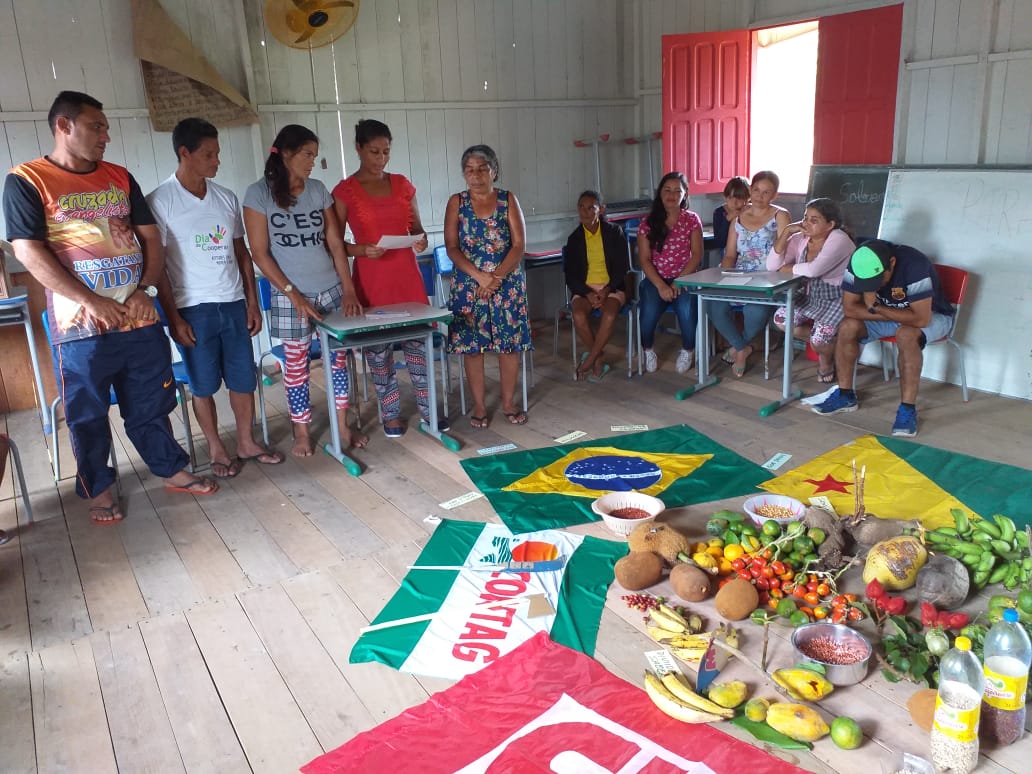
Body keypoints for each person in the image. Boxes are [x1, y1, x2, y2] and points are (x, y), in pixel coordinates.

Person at [3, 90, 217, 524]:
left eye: (105, 127)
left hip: (139, 318)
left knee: (152, 401)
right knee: (87, 413)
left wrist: (146, 290)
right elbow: (28, 252)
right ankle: (99, 489)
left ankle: (169, 469)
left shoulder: (120, 177)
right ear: (64, 126)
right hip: (80, 327)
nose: (106, 136)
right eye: (96, 127)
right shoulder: (28, 180)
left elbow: (151, 238)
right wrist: (91, 301)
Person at [147, 118, 284, 478]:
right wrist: (174, 318)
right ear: (184, 153)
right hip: (192, 308)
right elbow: (158, 270)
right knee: (203, 384)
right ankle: (216, 447)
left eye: (217, 153)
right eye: (208, 154)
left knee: (243, 379)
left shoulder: (225, 198)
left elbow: (242, 254)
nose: (217, 161)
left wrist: (251, 302)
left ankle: (246, 442)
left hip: (233, 303)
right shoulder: (160, 202)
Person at [242, 124, 367, 457]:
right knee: (296, 367)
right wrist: (293, 295)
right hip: (289, 295)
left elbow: (335, 243)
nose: (313, 161)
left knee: (337, 360)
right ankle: (301, 432)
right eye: (307, 154)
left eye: (314, 155)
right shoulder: (258, 194)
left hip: (330, 289)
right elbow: (259, 253)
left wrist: (349, 289)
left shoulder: (317, 190)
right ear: (286, 154)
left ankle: (342, 426)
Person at [332, 119, 443, 437]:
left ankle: (429, 411)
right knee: (379, 352)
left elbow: (416, 227)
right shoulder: (345, 191)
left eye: (386, 152)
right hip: (372, 278)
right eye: (374, 152)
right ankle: (390, 413)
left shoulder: (402, 184)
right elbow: (335, 244)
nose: (381, 159)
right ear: (358, 148)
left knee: (418, 344)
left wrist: (420, 239)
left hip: (406, 275)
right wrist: (362, 250)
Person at [812, 239, 955, 437]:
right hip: (889, 315)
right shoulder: (858, 262)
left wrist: (876, 307)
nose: (875, 286)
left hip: (934, 316)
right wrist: (890, 314)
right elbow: (850, 308)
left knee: (906, 334)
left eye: (878, 279)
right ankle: (845, 396)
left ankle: (907, 409)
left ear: (892, 263)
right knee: (847, 326)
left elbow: (921, 318)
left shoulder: (914, 265)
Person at [444, 144, 531, 427]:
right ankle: (480, 407)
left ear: (494, 171)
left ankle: (508, 403)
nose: (476, 175)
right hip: (469, 285)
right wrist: (480, 277)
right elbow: (452, 247)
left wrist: (496, 278)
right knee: (472, 347)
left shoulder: (507, 200)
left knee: (508, 346)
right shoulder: (457, 203)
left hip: (506, 285)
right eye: (470, 170)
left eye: (482, 168)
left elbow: (519, 245)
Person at [709, 170, 791, 377]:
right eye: (756, 190)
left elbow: (787, 253)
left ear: (775, 195)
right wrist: (722, 277)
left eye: (766, 192)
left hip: (769, 277)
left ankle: (738, 348)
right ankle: (742, 348)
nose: (760, 196)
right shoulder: (738, 218)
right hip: (739, 274)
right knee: (714, 305)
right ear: (750, 191)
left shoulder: (780, 216)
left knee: (755, 311)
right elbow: (730, 255)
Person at [766, 197, 856, 383]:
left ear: (830, 224)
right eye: (805, 218)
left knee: (819, 339)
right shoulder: (801, 238)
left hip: (838, 297)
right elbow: (772, 266)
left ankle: (825, 360)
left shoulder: (839, 239)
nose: (806, 223)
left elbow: (814, 270)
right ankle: (831, 344)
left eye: (814, 220)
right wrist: (786, 232)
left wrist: (789, 268)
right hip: (810, 294)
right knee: (781, 320)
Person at [637, 172, 704, 374]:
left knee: (687, 311)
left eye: (677, 191)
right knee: (648, 312)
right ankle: (648, 350)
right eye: (667, 190)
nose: (672, 195)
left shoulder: (691, 219)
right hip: (655, 279)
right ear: (660, 193)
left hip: (685, 278)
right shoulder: (647, 222)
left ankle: (688, 350)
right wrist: (661, 285)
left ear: (685, 195)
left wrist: (677, 282)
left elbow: (697, 255)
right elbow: (644, 259)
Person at [562, 190, 631, 382]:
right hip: (585, 289)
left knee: (609, 315)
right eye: (581, 207)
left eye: (590, 208)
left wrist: (607, 289)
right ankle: (598, 359)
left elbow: (622, 268)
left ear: (600, 210)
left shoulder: (614, 232)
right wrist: (587, 292)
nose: (584, 212)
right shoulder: (574, 239)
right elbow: (571, 276)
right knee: (578, 315)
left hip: (612, 287)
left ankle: (590, 360)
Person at [711, 176, 750, 253]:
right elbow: (719, 242)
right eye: (730, 197)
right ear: (725, 197)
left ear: (748, 198)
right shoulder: (719, 212)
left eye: (739, 198)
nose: (734, 202)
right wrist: (727, 220)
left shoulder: (750, 211)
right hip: (727, 252)